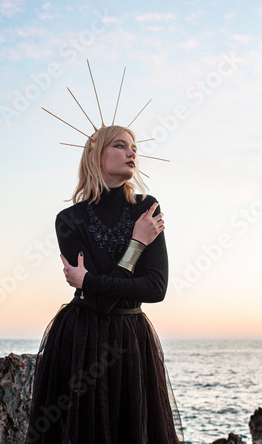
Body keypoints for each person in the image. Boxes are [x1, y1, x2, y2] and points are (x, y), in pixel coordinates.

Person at [25, 122, 184, 443]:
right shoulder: (69, 220)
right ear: (96, 156)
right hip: (81, 338)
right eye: (120, 146)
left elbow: (156, 288)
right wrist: (137, 244)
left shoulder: (146, 207)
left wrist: (91, 280)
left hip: (130, 339)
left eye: (134, 148)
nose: (132, 153)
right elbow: (97, 303)